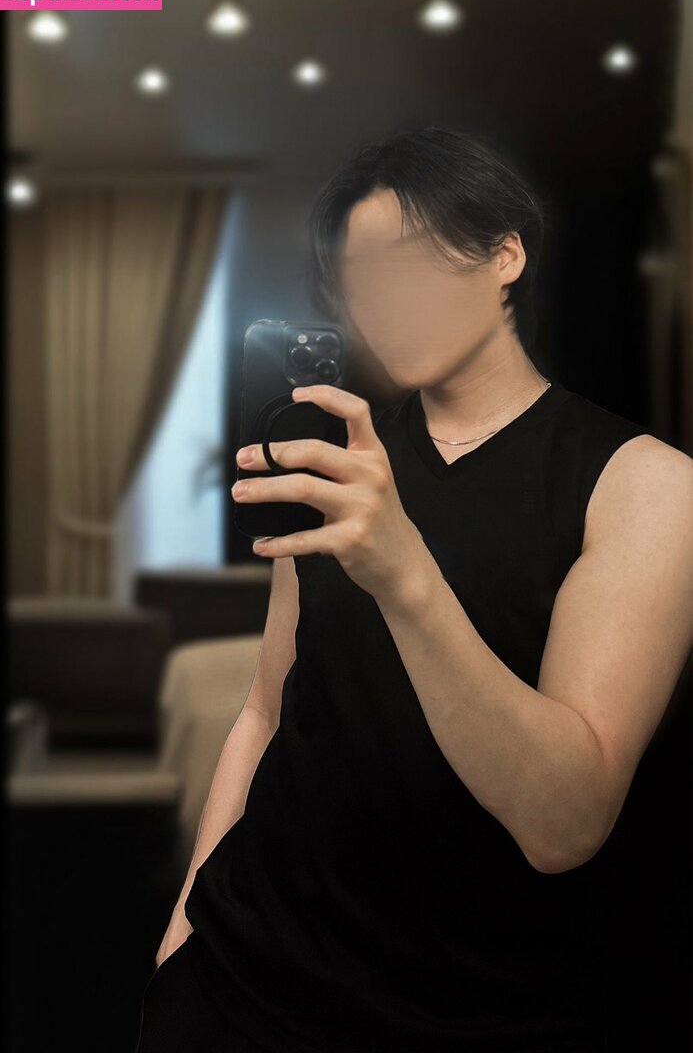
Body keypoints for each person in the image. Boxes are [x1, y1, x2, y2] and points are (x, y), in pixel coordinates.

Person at [135, 124, 693, 1053]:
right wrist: (182, 932)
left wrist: (404, 574)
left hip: (489, 1002)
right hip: (246, 971)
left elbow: (565, 824)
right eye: (358, 278)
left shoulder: (645, 486)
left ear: (504, 257)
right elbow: (267, 708)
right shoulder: (338, 461)